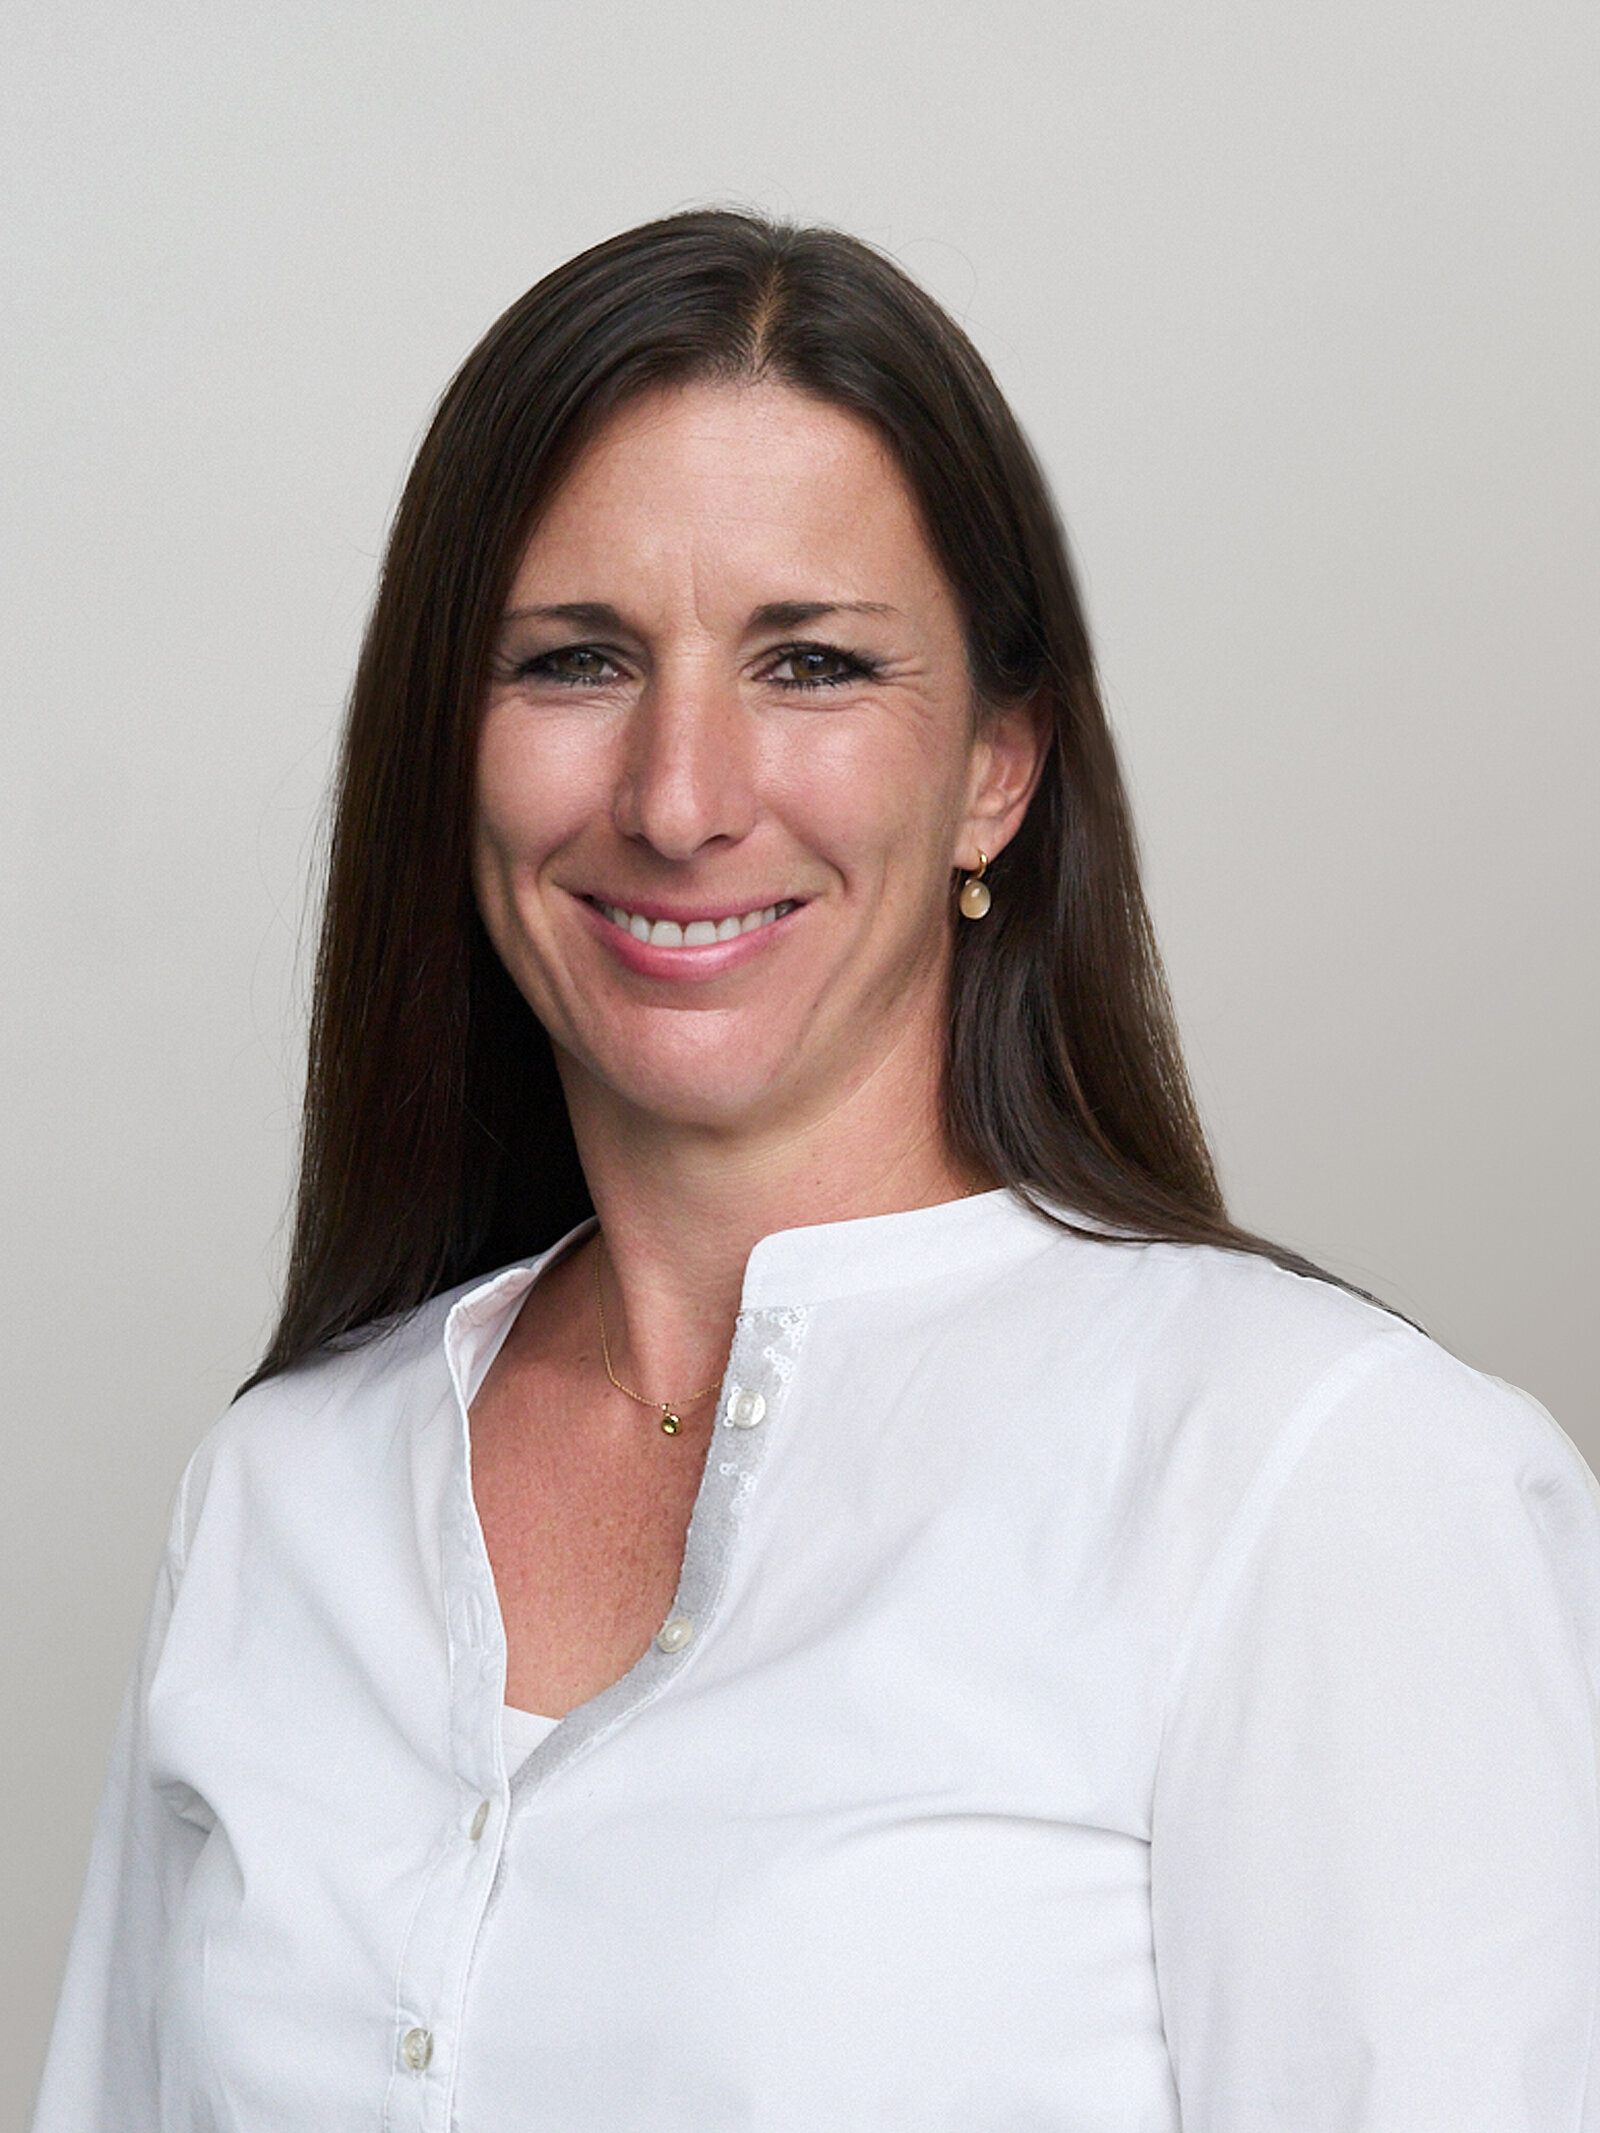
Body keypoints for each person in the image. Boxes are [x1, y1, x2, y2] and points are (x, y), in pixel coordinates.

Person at [33, 210, 1599, 2133]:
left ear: (998, 771)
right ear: (450, 745)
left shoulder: (1322, 1481)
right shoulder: (282, 1496)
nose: (681, 797)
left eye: (815, 665)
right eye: (575, 659)